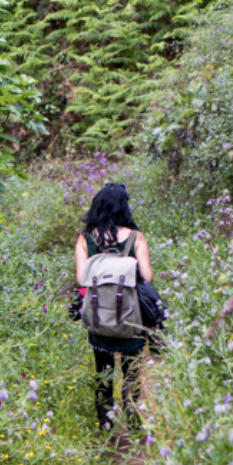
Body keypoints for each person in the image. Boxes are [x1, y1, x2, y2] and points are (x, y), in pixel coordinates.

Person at [75, 183, 154, 433]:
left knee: (103, 369)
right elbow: (147, 276)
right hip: (130, 319)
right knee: (131, 369)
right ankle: (132, 413)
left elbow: (81, 279)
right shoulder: (135, 237)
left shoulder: (85, 238)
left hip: (99, 318)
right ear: (124, 207)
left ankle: (106, 424)